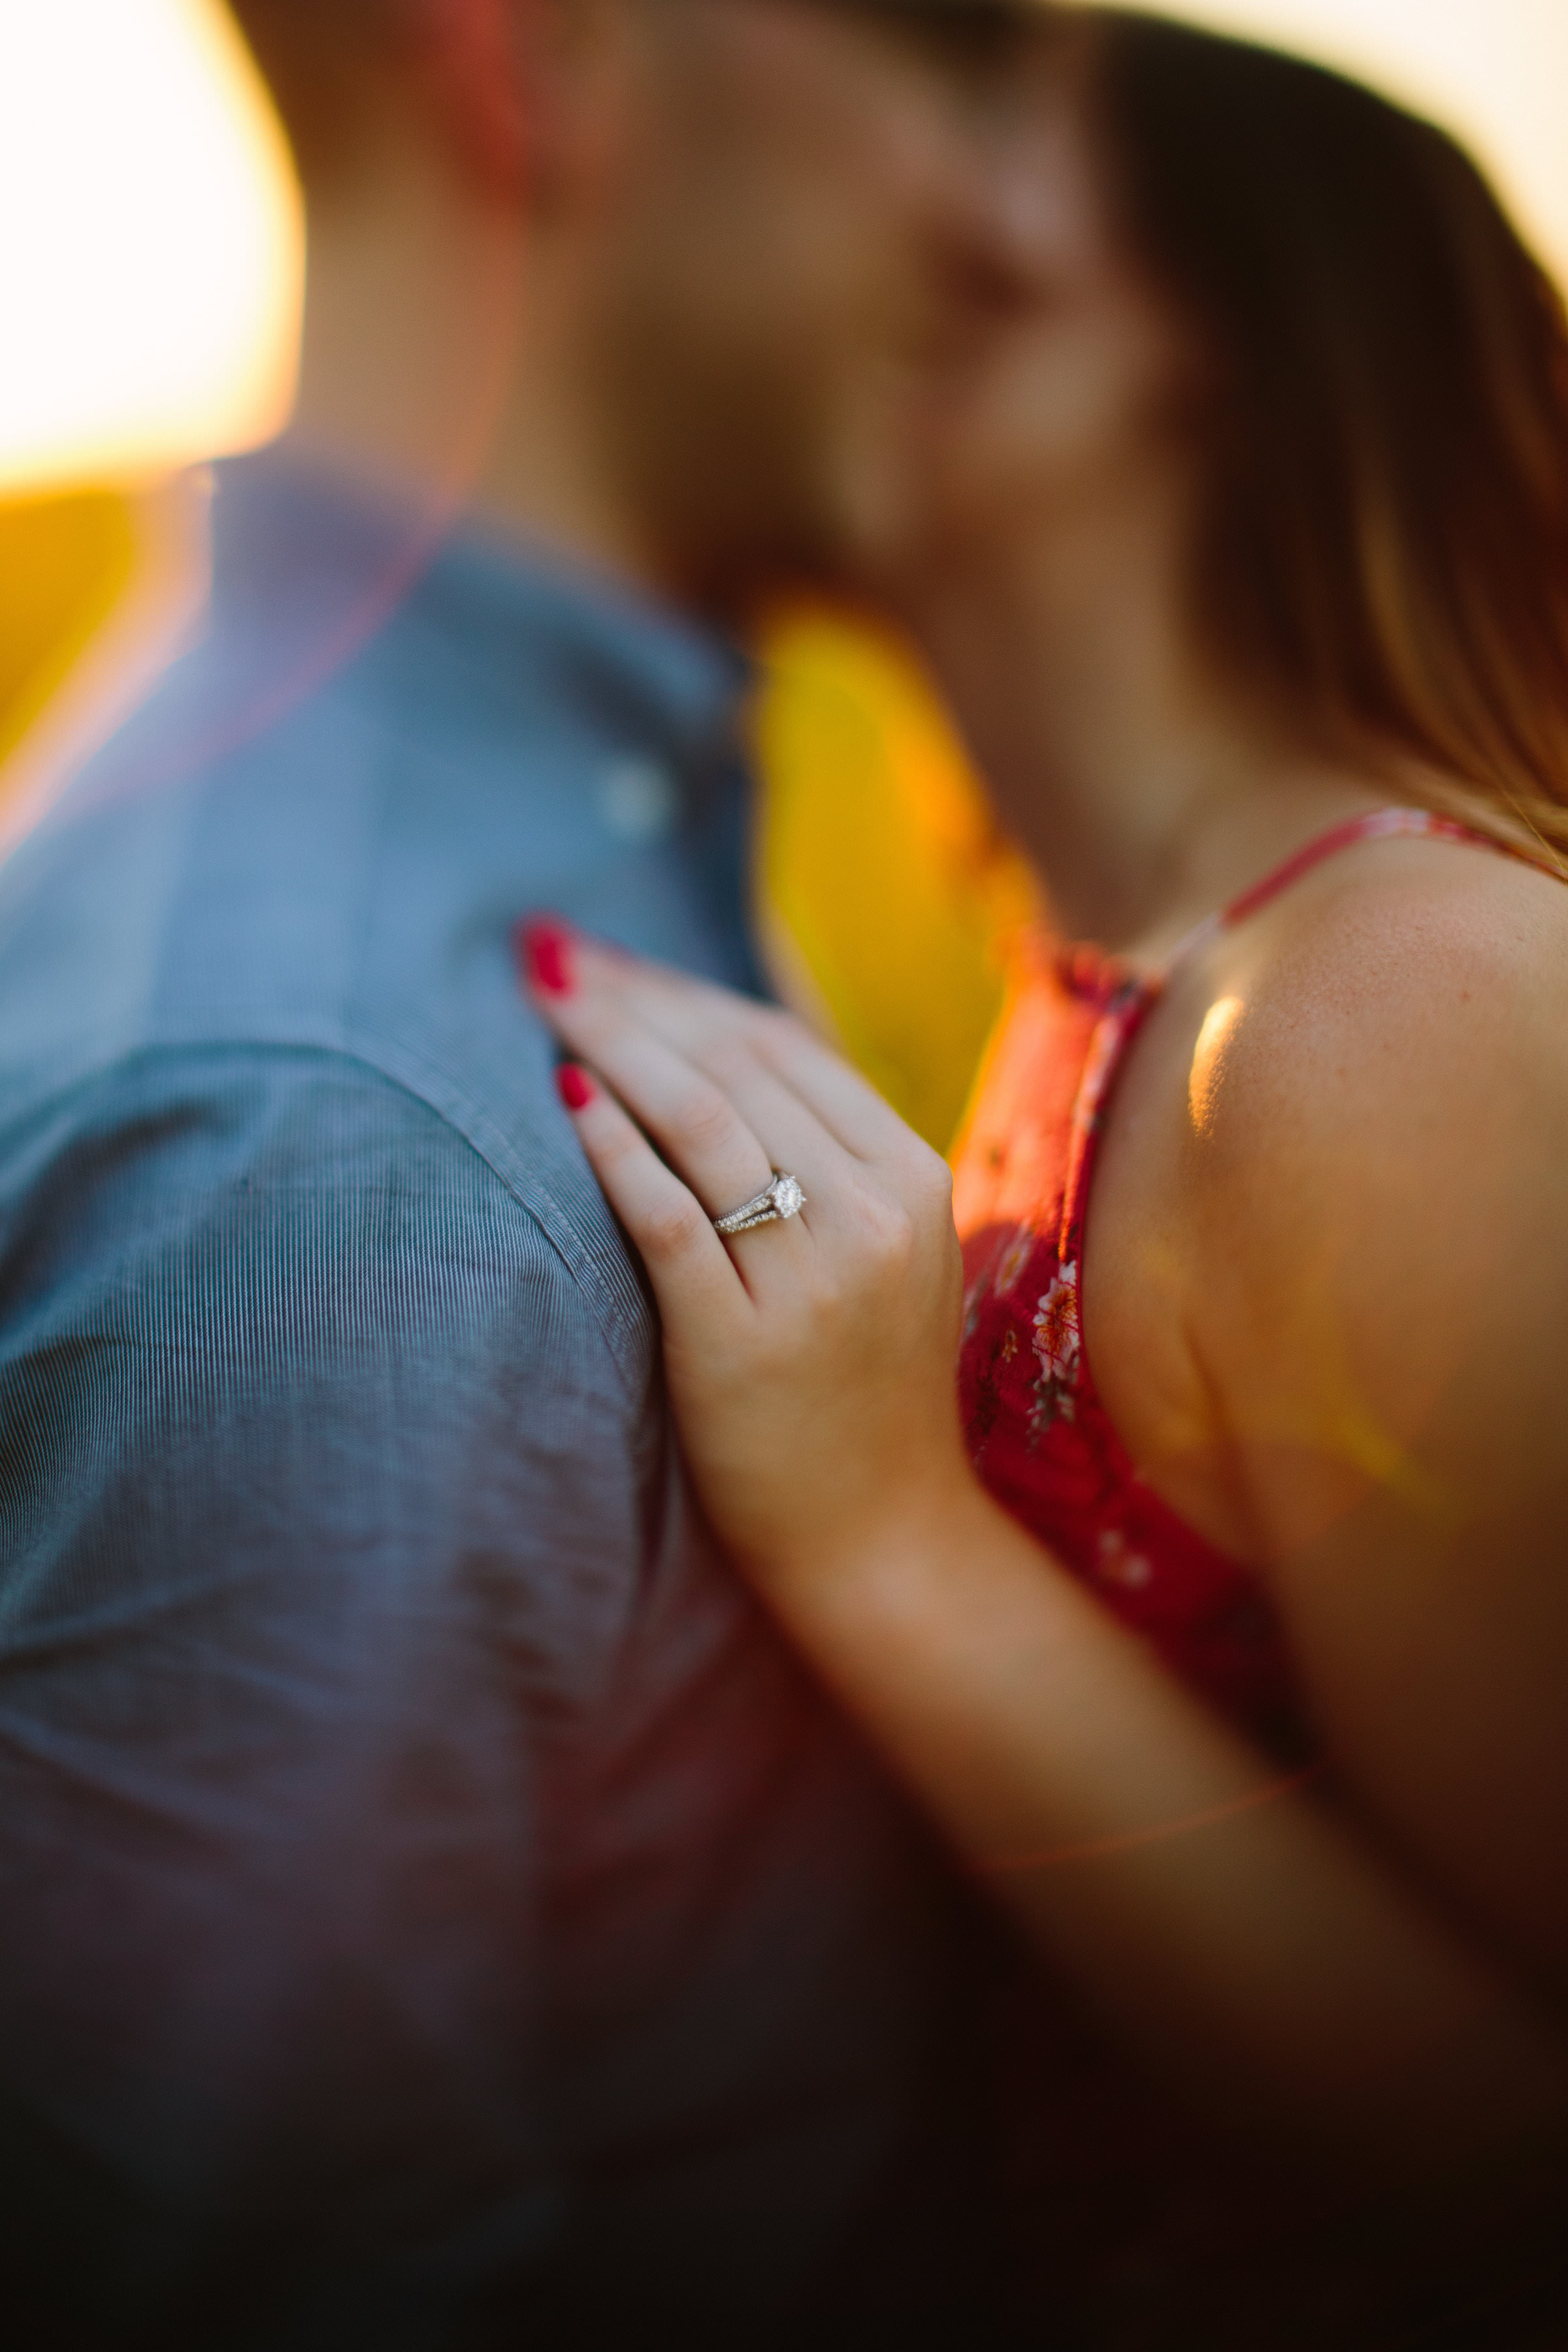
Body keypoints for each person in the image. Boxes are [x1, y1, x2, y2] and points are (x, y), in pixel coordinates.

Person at [0, 2, 1058, 2344]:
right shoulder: (330, 1129)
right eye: (953, 48)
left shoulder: (503, 876)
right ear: (539, 53)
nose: (1014, 213)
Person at [525, 14, 1568, 2343]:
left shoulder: (1384, 1010)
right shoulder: (1127, 984)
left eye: (993, 141)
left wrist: (893, 1549)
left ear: (1211, 352)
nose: (895, 211)